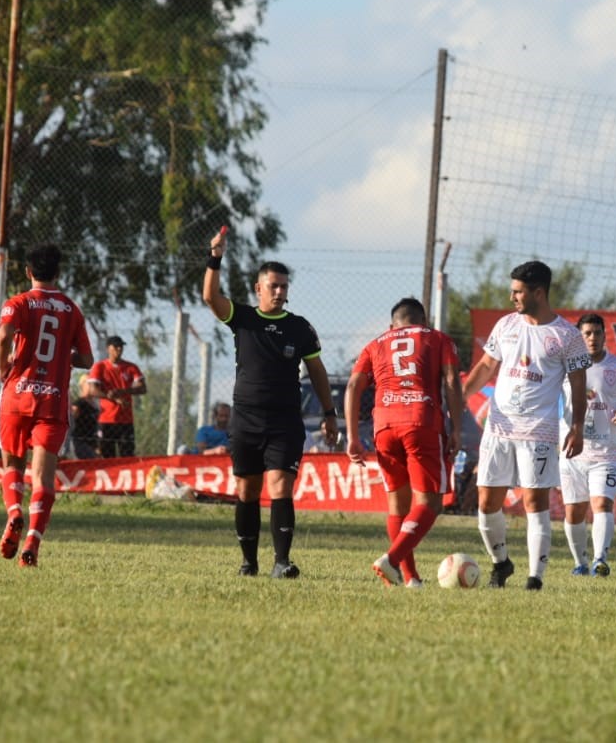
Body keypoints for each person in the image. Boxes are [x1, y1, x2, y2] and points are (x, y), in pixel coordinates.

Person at [203, 226, 338, 578]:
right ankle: (248, 562)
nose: (279, 292)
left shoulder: (300, 327)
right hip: (245, 420)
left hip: (284, 422)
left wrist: (329, 413)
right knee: (247, 489)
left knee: (280, 485)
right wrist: (214, 259)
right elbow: (210, 298)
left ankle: (282, 562)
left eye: (284, 287)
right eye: (273, 286)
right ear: (258, 289)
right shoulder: (243, 318)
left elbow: (318, 371)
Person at [461, 260, 590, 591]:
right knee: (487, 503)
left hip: (538, 433)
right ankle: (501, 564)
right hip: (499, 429)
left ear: (538, 292)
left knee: (535, 504)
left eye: (518, 291)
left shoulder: (567, 335)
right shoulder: (506, 325)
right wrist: (459, 396)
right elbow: (486, 366)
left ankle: (535, 578)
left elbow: (578, 385)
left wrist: (576, 427)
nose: (512, 297)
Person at [345, 296, 464, 589]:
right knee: (430, 503)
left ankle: (411, 580)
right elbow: (451, 381)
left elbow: (353, 386)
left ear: (392, 325)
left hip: (383, 424)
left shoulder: (375, 343)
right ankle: (393, 559)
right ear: (424, 321)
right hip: (420, 420)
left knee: (398, 504)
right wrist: (457, 427)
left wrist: (351, 436)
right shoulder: (438, 338)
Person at [0, 243, 93, 568]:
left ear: (28, 272)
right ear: (59, 272)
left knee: (12, 464)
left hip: (16, 396)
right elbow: (88, 359)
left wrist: (1, 367)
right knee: (43, 478)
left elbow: (3, 335)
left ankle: (14, 513)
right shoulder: (71, 309)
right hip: (51, 401)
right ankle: (32, 544)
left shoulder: (19, 302)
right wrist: (64, 355)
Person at [559, 313, 616, 578]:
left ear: (605, 335)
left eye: (597, 332)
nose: (592, 338)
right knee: (574, 511)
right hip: (572, 452)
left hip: (606, 452)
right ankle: (580, 563)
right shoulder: (566, 365)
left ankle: (599, 560)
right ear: (579, 337)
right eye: (587, 333)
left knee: (602, 504)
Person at [86, 335, 147, 457]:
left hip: (126, 420)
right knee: (107, 456)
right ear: (108, 348)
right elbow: (92, 390)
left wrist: (122, 392)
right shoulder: (100, 367)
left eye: (121, 346)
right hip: (107, 419)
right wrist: (112, 397)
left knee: (127, 455)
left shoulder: (130, 367)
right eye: (116, 346)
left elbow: (142, 388)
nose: (119, 349)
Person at [68, 374, 99, 459]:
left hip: (92, 441)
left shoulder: (95, 405)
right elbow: (71, 420)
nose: (94, 387)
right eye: (90, 384)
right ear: (83, 385)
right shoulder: (79, 404)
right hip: (80, 441)